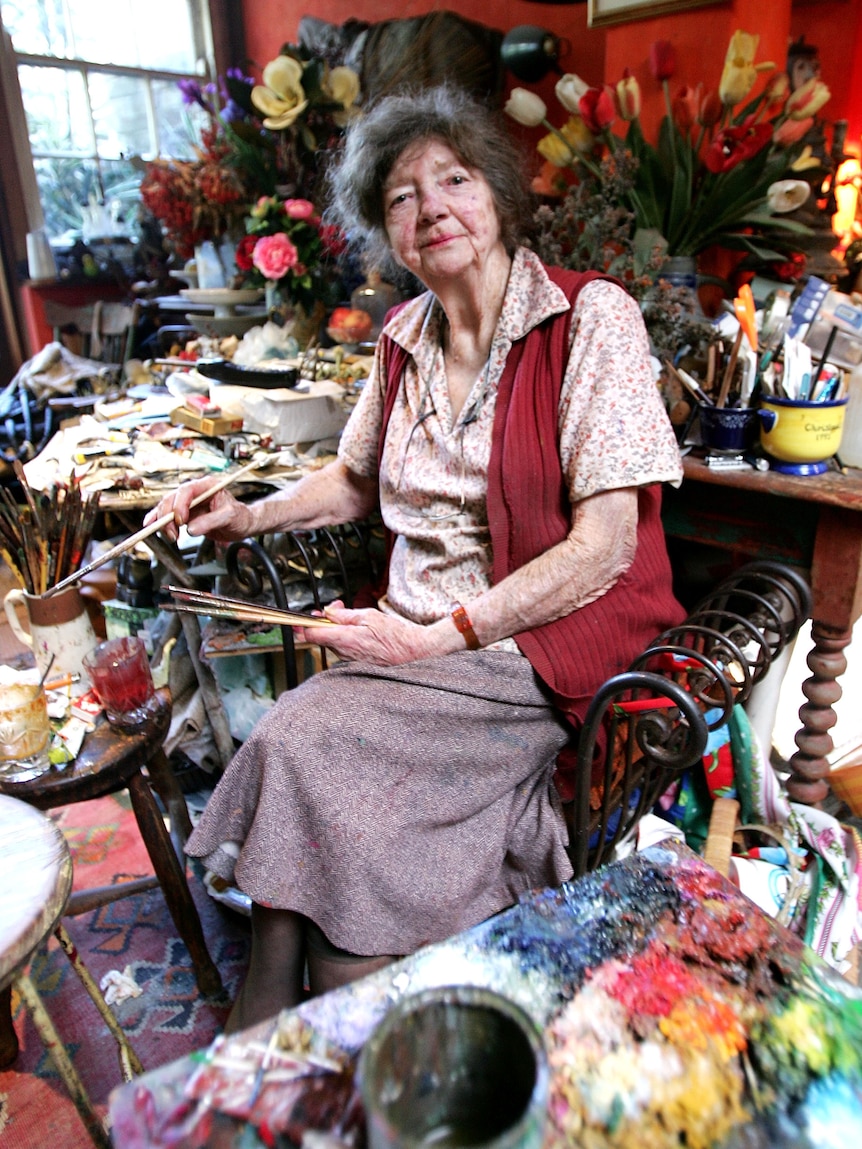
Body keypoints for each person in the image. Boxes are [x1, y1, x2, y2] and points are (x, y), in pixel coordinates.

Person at [146, 85, 685, 1031]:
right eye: (401, 196)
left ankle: (274, 1018)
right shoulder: (403, 339)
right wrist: (251, 513)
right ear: (385, 232)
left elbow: (605, 546)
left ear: (497, 195)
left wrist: (441, 638)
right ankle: (298, 1008)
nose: (431, 206)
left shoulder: (591, 319)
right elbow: (354, 481)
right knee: (320, 782)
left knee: (296, 735)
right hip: (411, 647)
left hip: (533, 649)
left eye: (454, 179)